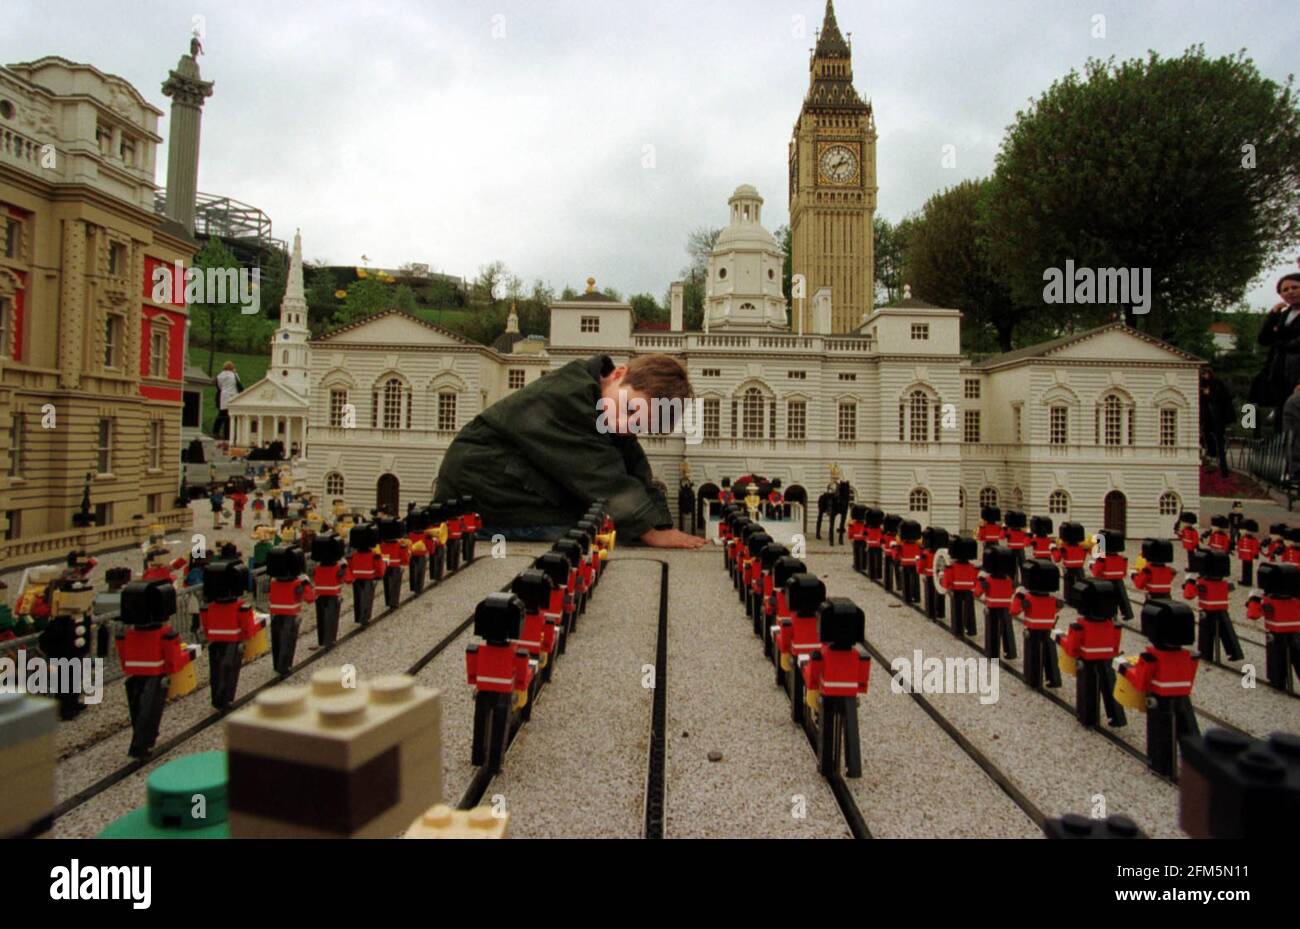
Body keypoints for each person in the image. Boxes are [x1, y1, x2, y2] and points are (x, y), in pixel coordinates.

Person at [436, 354, 705, 549]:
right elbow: (600, 473)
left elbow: (633, 463)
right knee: (589, 532)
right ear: (618, 373)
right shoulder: (569, 398)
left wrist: (660, 524)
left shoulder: (603, 403)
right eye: (630, 410)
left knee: (601, 525)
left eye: (639, 425)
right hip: (482, 485)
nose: (625, 425)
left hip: (509, 482)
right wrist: (648, 531)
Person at [1254, 273, 1300, 433]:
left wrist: (1279, 342)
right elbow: (1264, 339)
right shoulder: (1283, 316)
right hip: (1280, 375)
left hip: (1296, 373)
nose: (1290, 292)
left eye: (1295, 287)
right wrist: (1273, 315)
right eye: (1285, 289)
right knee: (1283, 421)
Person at [1199, 367, 1234, 477]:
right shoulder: (1203, 385)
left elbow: (1221, 399)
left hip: (1218, 419)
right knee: (1208, 437)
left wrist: (1209, 394)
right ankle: (1212, 454)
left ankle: (1223, 469)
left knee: (1219, 443)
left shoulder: (1217, 384)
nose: (1203, 376)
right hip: (1208, 419)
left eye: (1204, 374)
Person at [213, 361, 241, 442]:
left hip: (224, 396)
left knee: (222, 414)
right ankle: (228, 434)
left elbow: (219, 386)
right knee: (230, 416)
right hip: (233, 395)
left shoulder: (220, 375)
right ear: (232, 368)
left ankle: (216, 431)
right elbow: (238, 383)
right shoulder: (234, 375)